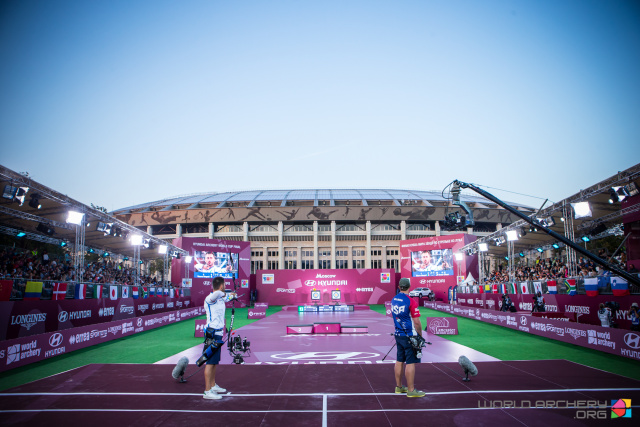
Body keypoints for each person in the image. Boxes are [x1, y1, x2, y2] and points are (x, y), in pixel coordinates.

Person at [202, 276, 237, 400]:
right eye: (224, 285)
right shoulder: (210, 298)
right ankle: (207, 391)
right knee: (210, 362)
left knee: (214, 361)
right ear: (221, 286)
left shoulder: (220, 299)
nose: (225, 287)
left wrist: (233, 295)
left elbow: (227, 297)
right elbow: (217, 294)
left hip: (218, 334)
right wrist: (225, 292)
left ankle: (212, 385)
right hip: (211, 334)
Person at [391, 278, 425, 398]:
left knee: (399, 360)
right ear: (409, 287)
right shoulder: (411, 301)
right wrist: (420, 336)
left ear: (399, 287)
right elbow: (417, 322)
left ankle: (399, 387)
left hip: (398, 334)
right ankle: (411, 390)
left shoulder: (394, 299)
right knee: (410, 362)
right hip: (409, 335)